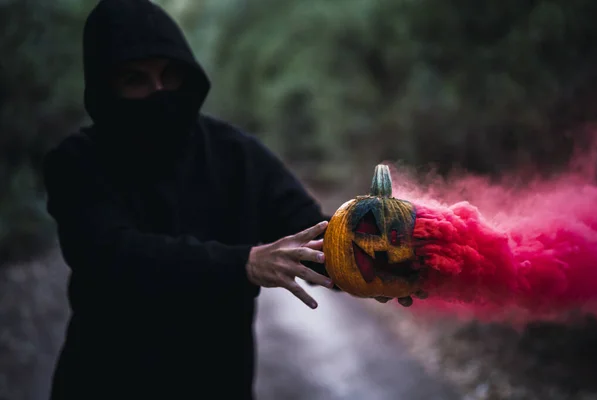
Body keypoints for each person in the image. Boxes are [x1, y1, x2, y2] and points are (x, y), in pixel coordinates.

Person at [42, 0, 406, 398]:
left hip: (217, 382)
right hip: (106, 382)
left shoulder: (236, 155)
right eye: (136, 80)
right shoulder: (77, 162)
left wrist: (372, 260)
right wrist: (243, 263)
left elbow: (311, 234)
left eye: (170, 75)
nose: (160, 92)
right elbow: (112, 256)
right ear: (106, 87)